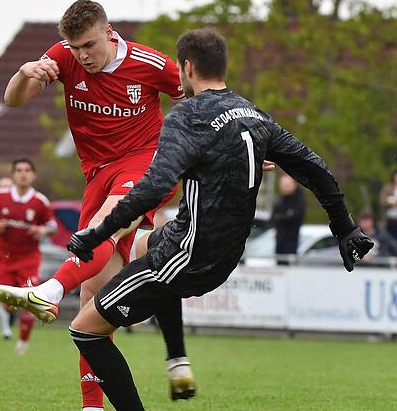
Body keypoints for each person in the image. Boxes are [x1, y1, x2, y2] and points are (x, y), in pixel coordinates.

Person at [65, 28, 374, 411]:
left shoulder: (188, 116)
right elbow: (313, 167)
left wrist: (99, 232)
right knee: (146, 241)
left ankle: (162, 372)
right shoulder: (253, 115)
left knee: (86, 330)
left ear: (187, 67)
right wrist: (344, 227)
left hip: (189, 258)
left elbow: (152, 186)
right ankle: (177, 359)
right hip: (224, 254)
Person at [0, 0, 195, 408]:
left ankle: (49, 288)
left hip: (143, 166)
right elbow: (14, 100)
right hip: (97, 175)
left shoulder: (148, 64)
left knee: (107, 221)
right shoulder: (63, 56)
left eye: (88, 45)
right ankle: (91, 406)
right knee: (91, 311)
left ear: (108, 32)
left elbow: (198, 96)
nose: (81, 55)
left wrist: (223, 144)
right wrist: (23, 73)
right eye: (74, 46)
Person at [0, 159, 56, 354]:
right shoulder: (0, 197)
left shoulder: (40, 202)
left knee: (31, 299)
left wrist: (41, 230)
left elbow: (52, 226)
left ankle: (22, 343)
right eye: (19, 170)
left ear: (33, 175)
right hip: (4, 259)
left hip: (29, 260)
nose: (23, 174)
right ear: (13, 174)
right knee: (5, 302)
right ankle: (10, 324)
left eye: (27, 170)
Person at [272, 174, 306, 263]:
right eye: (283, 184)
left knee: (290, 264)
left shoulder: (298, 198)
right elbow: (273, 217)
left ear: (294, 185)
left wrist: (282, 217)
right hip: (279, 239)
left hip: (291, 240)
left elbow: (294, 215)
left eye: (287, 184)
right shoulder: (280, 199)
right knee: (280, 262)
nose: (284, 187)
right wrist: (284, 216)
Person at [380, 170, 397, 241]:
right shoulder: (388, 188)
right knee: (392, 240)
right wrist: (390, 202)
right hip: (391, 219)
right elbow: (382, 200)